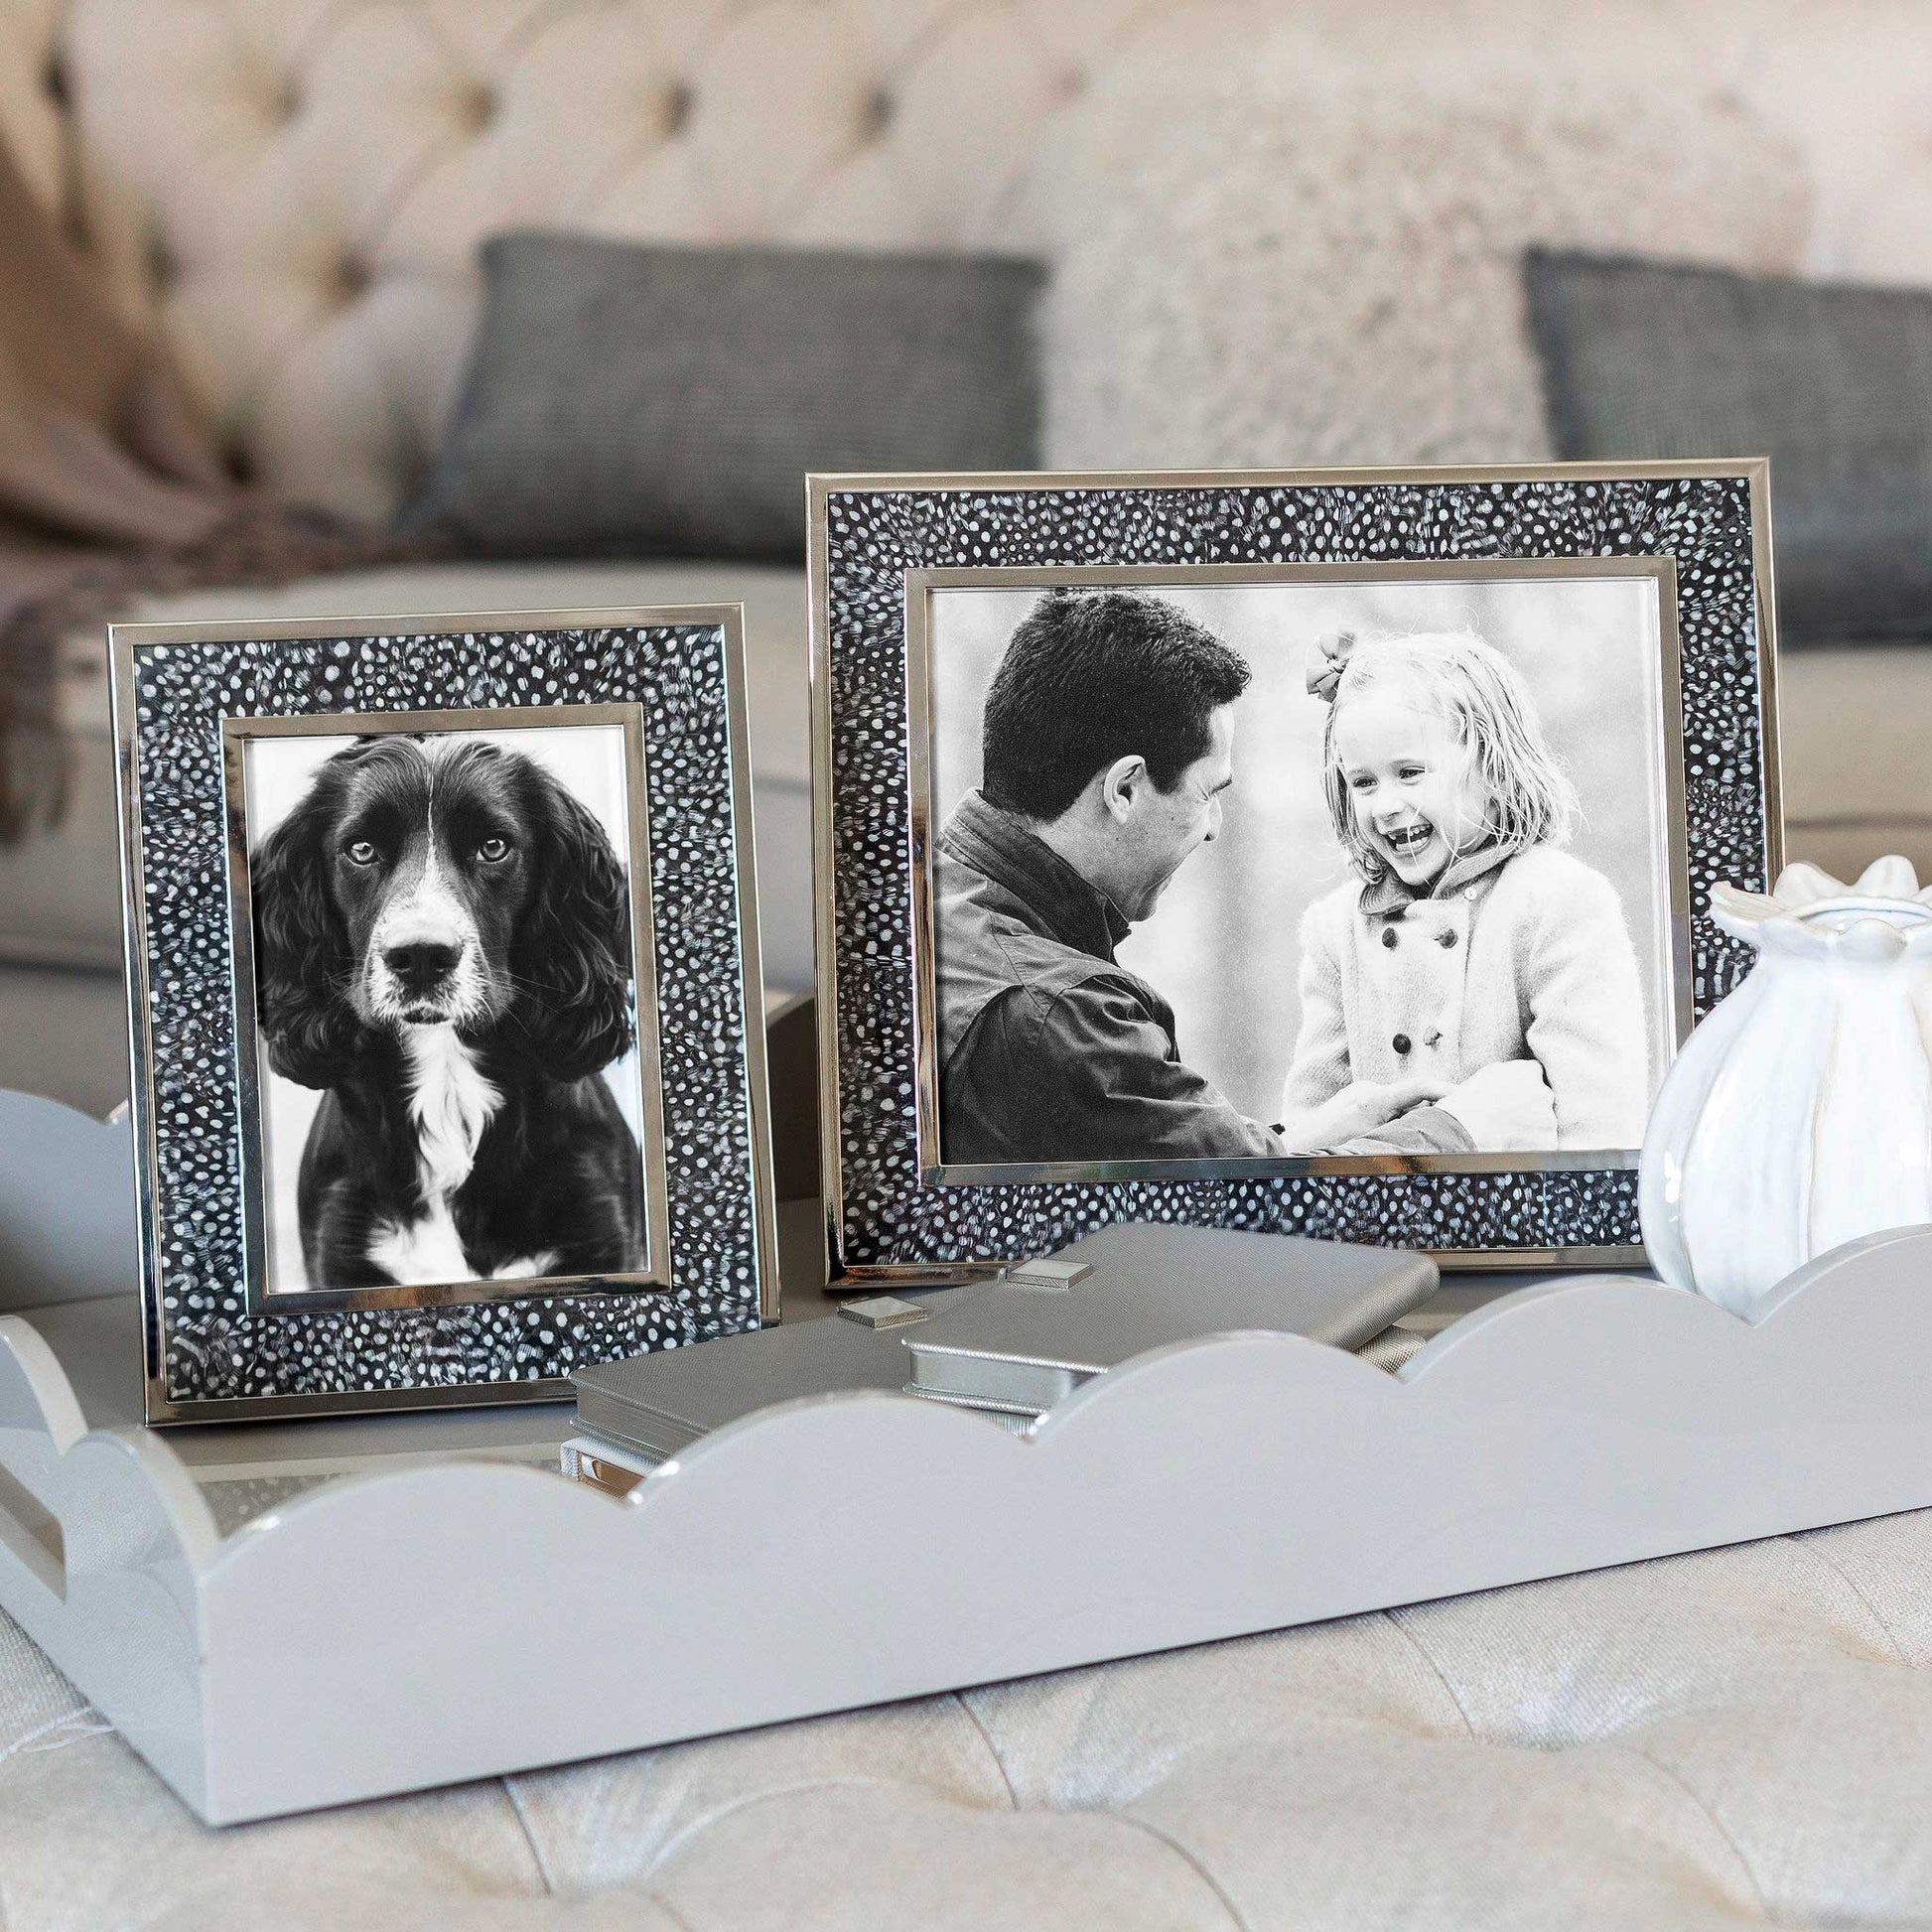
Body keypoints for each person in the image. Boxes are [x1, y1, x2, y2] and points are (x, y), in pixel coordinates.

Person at [932, 588, 1314, 1167]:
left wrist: (1313, 1132)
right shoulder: (1054, 1015)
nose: (1213, 829)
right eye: (1208, 793)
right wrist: (1457, 1130)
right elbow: (1266, 1203)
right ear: (1125, 789)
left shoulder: (928, 897)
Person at [1278, 628, 1649, 1154]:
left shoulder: (1557, 900)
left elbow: (1601, 1119)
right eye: (1363, 782)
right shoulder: (1336, 928)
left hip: (1521, 1223)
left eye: (1409, 773)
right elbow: (1311, 1129)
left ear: (1492, 767)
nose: (1384, 804)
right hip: (1373, 1222)